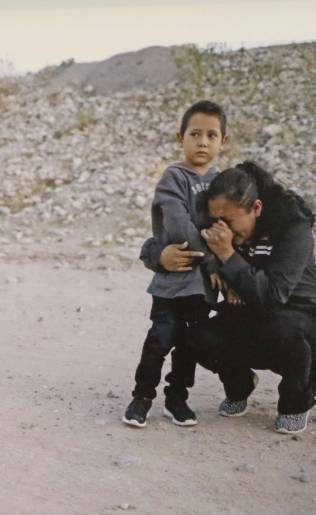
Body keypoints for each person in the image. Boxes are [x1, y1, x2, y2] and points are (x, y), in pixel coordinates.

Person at [177, 161, 316, 434]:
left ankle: (295, 404)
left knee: (283, 327)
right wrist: (214, 262)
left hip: (301, 320)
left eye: (230, 221)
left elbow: (273, 295)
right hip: (252, 316)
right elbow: (188, 240)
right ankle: (240, 385)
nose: (223, 230)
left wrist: (227, 256)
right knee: (199, 336)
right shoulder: (222, 230)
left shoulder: (294, 228)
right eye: (216, 221)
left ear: (256, 208)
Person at [123, 100, 229, 429]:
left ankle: (177, 399)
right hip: (173, 282)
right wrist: (213, 260)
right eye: (195, 134)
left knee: (188, 347)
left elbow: (228, 228)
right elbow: (180, 227)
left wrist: (223, 263)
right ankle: (142, 396)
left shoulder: (225, 182)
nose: (202, 142)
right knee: (160, 339)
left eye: (212, 135)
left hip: (201, 289)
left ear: (223, 142)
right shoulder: (174, 177)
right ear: (180, 137)